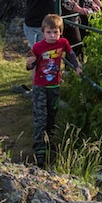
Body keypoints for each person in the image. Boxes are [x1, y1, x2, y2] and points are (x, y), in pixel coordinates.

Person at [25, 14, 82, 167]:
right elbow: (30, 63)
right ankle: (39, 151)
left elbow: (70, 54)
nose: (52, 36)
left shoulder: (63, 43)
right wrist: (29, 63)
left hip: (54, 86)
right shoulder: (38, 47)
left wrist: (76, 67)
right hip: (40, 87)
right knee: (40, 117)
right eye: (49, 32)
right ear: (43, 32)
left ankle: (49, 141)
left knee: (52, 115)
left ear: (60, 32)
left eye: (55, 32)